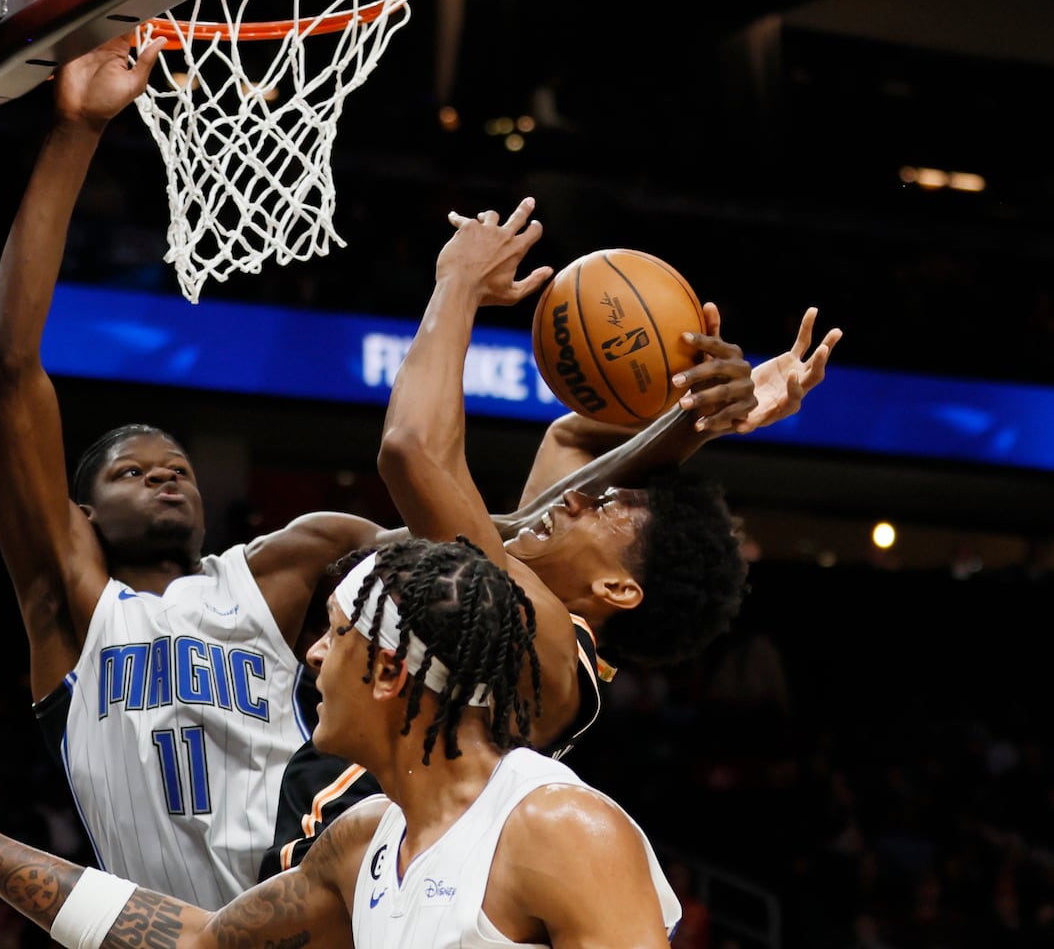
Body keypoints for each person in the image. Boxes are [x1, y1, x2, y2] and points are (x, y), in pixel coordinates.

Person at [261, 202, 841, 877]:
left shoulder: (539, 647)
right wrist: (704, 412)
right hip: (315, 866)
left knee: (347, 540)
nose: (577, 493)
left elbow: (412, 450)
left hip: (326, 896)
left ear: (618, 588)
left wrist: (459, 283)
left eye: (605, 506)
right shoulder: (533, 595)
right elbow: (567, 437)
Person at [0, 31, 395, 908]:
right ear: (80, 513)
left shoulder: (278, 573)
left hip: (316, 918)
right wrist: (77, 131)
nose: (167, 477)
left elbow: (469, 549)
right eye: (132, 472)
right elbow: (8, 361)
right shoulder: (72, 605)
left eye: (177, 469)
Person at [0, 538, 683, 948]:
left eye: (335, 634)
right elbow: (199, 940)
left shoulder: (558, 830)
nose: (315, 656)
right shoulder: (361, 841)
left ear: (392, 672)